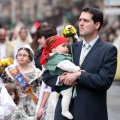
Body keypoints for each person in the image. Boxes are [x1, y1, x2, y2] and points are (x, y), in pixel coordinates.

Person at [42, 7, 118, 120]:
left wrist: (78, 75)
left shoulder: (108, 49)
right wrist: (61, 79)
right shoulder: (70, 48)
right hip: (64, 114)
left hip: (90, 113)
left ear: (97, 25)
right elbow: (47, 76)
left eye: (86, 21)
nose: (81, 24)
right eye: (80, 20)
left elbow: (104, 81)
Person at [40, 35, 80, 119]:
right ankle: (64, 111)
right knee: (67, 94)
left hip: (65, 88)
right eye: (63, 46)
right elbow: (65, 65)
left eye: (66, 46)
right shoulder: (58, 58)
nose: (66, 48)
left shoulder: (57, 56)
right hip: (63, 84)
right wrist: (76, 69)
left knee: (61, 96)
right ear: (54, 49)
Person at [1, 44, 42, 117]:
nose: (22, 57)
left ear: (30, 58)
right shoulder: (9, 71)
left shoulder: (37, 73)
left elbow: (40, 90)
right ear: (16, 57)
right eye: (19, 55)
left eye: (24, 55)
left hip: (32, 104)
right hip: (14, 104)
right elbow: (5, 89)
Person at [34, 26, 58, 120]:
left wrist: (41, 106)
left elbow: (49, 83)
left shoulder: (54, 56)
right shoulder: (40, 53)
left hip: (52, 93)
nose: (38, 40)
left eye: (40, 38)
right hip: (42, 90)